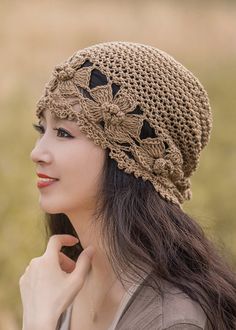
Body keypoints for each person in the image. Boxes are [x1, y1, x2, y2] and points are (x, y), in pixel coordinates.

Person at [19, 42, 236, 330]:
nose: (37, 152)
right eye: (41, 129)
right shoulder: (63, 284)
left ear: (130, 158)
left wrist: (38, 322)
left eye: (63, 132)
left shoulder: (174, 321)